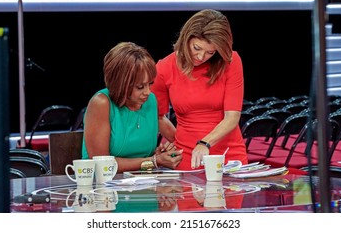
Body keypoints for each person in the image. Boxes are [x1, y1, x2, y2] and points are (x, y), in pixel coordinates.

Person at [151, 9, 248, 170]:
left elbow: (232, 117)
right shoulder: (164, 68)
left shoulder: (231, 61)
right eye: (196, 48)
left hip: (228, 154)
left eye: (210, 52)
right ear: (186, 39)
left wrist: (205, 142)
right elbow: (158, 116)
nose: (201, 56)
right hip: (187, 155)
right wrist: (179, 140)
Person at [82, 42, 182, 173]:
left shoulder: (151, 100)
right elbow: (102, 164)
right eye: (140, 87)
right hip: (105, 186)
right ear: (120, 84)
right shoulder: (101, 103)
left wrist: (165, 154)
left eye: (150, 84)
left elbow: (177, 139)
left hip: (145, 182)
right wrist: (153, 161)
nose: (147, 91)